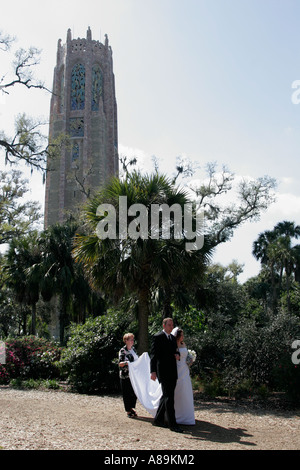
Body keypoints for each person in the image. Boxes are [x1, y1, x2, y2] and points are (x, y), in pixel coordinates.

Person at [150, 318, 183, 433]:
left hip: (173, 371)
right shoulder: (158, 337)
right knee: (169, 398)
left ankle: (158, 420)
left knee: (166, 396)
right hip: (163, 372)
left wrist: (177, 355)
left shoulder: (173, 338)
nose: (171, 326)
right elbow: (153, 355)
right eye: (169, 325)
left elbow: (176, 351)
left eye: (172, 325)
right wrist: (153, 371)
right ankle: (173, 424)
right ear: (164, 326)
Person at [172, 327, 195, 425]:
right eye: (181, 335)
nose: (183, 337)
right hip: (177, 368)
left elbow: (185, 355)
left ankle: (186, 415)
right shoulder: (174, 345)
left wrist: (190, 359)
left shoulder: (183, 344)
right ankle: (177, 415)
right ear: (178, 336)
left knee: (186, 390)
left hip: (185, 369)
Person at [118, 333, 138, 418]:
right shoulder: (123, 351)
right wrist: (128, 363)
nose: (132, 341)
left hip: (133, 376)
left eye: (133, 340)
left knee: (134, 392)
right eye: (130, 340)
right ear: (126, 341)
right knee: (126, 393)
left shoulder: (134, 350)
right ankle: (128, 410)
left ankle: (131, 407)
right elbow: (120, 363)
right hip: (125, 375)